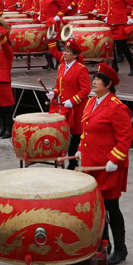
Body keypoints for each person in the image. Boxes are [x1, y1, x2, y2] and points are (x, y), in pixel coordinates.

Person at [80, 62, 133, 265]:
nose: (94, 82)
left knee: (111, 206)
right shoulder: (91, 102)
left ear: (108, 84)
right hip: (91, 164)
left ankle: (121, 248)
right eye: (94, 78)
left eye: (98, 79)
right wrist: (80, 150)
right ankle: (104, 244)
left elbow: (126, 137)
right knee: (97, 206)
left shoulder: (116, 107)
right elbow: (87, 130)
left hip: (108, 166)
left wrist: (115, 159)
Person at [46, 38, 89, 170]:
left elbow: (85, 90)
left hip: (76, 109)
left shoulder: (81, 69)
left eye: (68, 51)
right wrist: (54, 93)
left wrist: (73, 100)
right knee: (66, 135)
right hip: (65, 108)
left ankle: (73, 163)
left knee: (75, 136)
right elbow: (60, 86)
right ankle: (66, 160)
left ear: (75, 55)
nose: (64, 53)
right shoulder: (61, 67)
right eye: (64, 50)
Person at [105, 0, 133, 76]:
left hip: (120, 24)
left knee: (123, 46)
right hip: (111, 23)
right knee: (111, 47)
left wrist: (132, 17)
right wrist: (107, 16)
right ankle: (114, 67)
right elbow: (110, 6)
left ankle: (132, 66)